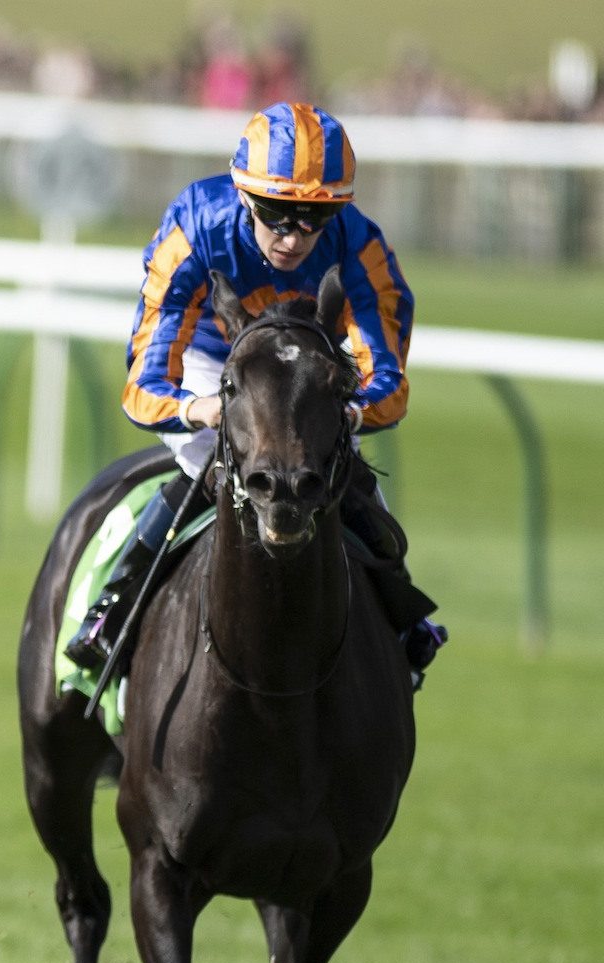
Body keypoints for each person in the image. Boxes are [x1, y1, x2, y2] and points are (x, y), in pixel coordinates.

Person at [65, 101, 445, 676]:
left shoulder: (361, 247)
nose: (294, 238)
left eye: (313, 219)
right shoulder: (195, 226)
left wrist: (349, 413)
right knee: (206, 466)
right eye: (276, 214)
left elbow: (386, 382)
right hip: (210, 361)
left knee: (354, 482)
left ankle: (403, 622)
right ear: (244, 195)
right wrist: (199, 409)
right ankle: (112, 608)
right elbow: (144, 383)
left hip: (303, 373)